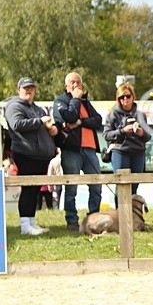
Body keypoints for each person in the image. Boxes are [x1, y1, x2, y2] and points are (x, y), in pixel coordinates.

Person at [4, 77, 61, 236]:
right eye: (25, 88)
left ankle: (31, 223)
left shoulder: (37, 108)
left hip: (40, 156)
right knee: (28, 189)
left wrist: (51, 129)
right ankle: (25, 225)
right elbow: (16, 124)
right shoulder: (14, 106)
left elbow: (42, 126)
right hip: (26, 154)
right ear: (18, 90)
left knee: (35, 190)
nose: (29, 90)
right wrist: (39, 121)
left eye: (31, 88)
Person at [53, 71, 104, 231]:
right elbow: (68, 117)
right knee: (71, 188)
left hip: (90, 150)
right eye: (72, 82)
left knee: (96, 186)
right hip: (71, 150)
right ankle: (72, 221)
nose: (76, 85)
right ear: (66, 86)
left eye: (78, 82)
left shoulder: (86, 102)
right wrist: (75, 99)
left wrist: (80, 122)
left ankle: (93, 218)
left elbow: (98, 121)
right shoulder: (60, 101)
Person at [102, 82, 151, 194]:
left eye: (128, 96)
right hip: (120, 152)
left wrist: (141, 133)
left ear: (133, 97)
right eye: (122, 97)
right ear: (118, 99)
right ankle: (119, 206)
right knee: (121, 185)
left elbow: (148, 136)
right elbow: (106, 135)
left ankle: (132, 206)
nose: (125, 99)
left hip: (138, 152)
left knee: (134, 187)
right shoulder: (112, 115)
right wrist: (122, 131)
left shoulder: (141, 115)